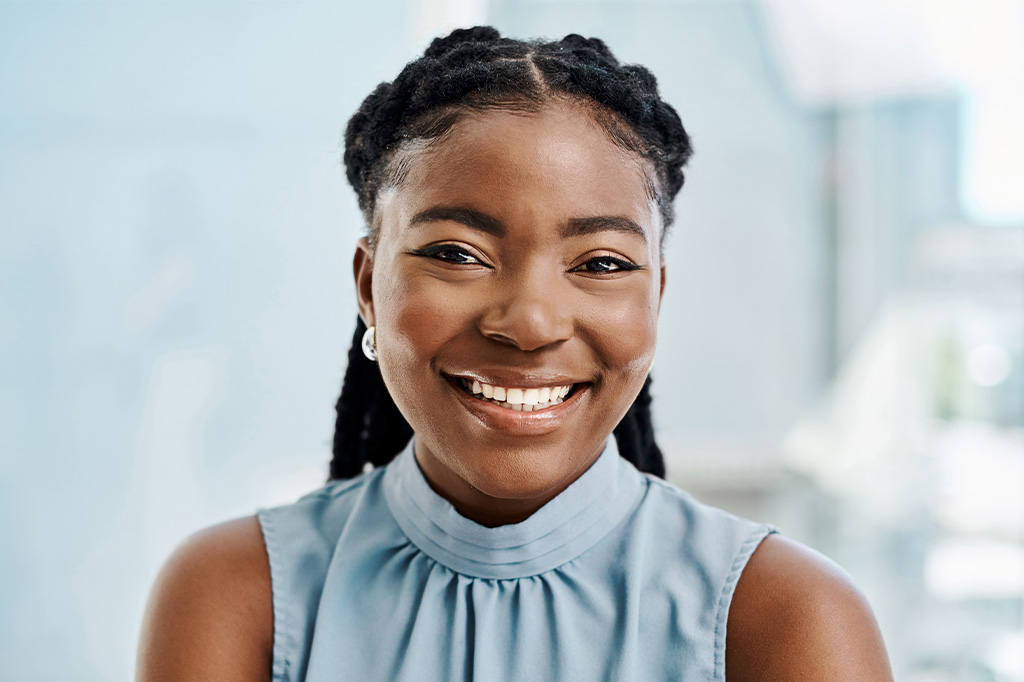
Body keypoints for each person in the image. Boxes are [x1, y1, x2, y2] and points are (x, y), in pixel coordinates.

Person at [137, 27, 893, 682]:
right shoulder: (239, 596)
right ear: (369, 286)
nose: (530, 324)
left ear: (655, 297)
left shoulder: (784, 618)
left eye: (600, 263)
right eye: (458, 253)